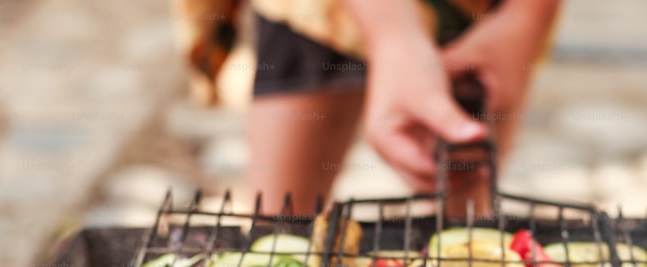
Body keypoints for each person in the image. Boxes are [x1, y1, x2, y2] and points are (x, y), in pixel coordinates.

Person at [240, 0, 562, 215]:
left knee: (470, 236)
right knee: (280, 218)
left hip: (479, 10)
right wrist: (392, 36)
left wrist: (528, 17)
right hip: (315, 13)